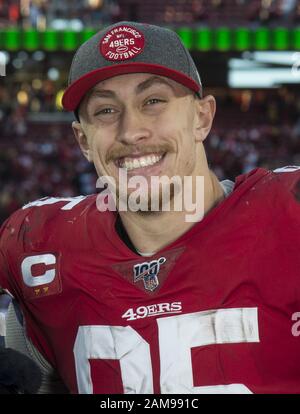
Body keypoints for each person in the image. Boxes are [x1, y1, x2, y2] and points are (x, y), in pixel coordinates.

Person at [1, 20, 300, 394]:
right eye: (106, 111)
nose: (131, 131)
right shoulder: (36, 245)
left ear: (202, 117)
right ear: (83, 140)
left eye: (153, 101)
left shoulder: (289, 212)